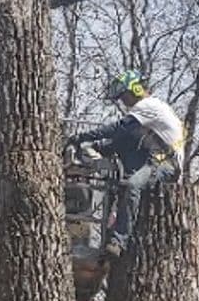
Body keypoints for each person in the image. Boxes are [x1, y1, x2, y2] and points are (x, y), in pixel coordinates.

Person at [70, 69, 185, 258]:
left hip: (166, 163)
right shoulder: (144, 117)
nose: (123, 102)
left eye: (124, 96)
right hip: (151, 158)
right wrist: (96, 148)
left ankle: (119, 240)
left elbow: (118, 128)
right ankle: (114, 227)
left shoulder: (149, 106)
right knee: (121, 174)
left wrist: (82, 136)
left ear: (135, 89)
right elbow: (123, 138)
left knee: (133, 185)